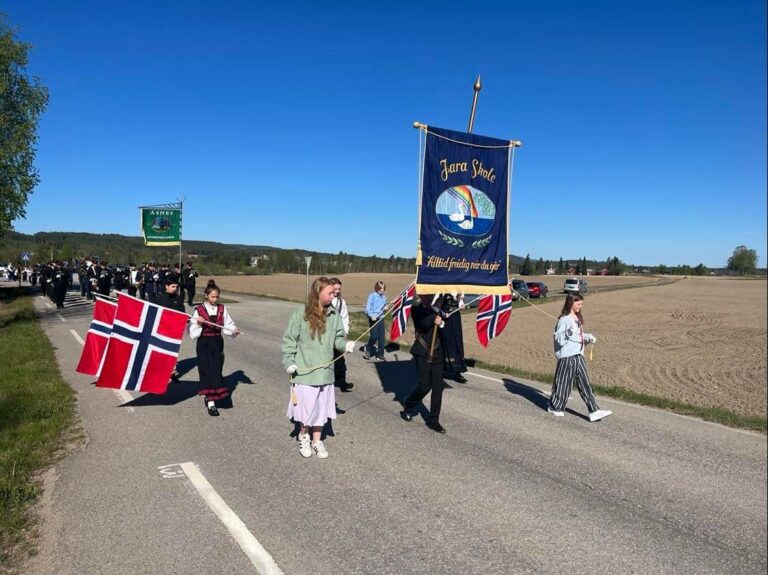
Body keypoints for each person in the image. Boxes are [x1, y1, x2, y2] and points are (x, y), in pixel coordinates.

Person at [282, 276, 355, 459]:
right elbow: (289, 340)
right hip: (304, 371)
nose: (333, 295)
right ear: (318, 292)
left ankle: (317, 440)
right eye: (330, 292)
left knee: (321, 410)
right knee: (306, 409)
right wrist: (289, 361)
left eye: (334, 292)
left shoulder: (334, 315)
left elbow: (338, 338)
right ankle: (304, 436)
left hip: (325, 373)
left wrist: (344, 345)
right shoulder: (301, 314)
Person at [548, 293, 611, 422]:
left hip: (578, 355)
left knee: (585, 383)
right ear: (571, 303)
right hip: (567, 356)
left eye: (581, 304)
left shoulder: (577, 319)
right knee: (563, 383)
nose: (581, 306)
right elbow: (558, 339)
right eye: (579, 304)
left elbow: (577, 336)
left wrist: (587, 337)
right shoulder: (564, 320)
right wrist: (568, 332)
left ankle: (594, 410)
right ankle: (555, 407)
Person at [189, 280, 240, 416]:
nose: (215, 299)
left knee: (216, 369)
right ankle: (211, 402)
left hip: (217, 343)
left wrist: (233, 330)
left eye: (217, 297)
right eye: (213, 296)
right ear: (206, 296)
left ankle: (215, 395)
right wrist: (199, 324)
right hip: (204, 343)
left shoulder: (222, 309)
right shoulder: (199, 310)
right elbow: (192, 331)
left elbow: (228, 324)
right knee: (207, 371)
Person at [400, 293, 448, 433]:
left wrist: (442, 322)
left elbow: (445, 329)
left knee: (438, 387)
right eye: (426, 295)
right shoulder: (417, 307)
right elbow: (424, 324)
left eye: (430, 295)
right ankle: (409, 404)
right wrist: (435, 314)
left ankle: (434, 420)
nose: (428, 297)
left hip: (437, 352)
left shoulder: (437, 308)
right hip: (422, 351)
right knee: (424, 386)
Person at [329, 277, 353, 392]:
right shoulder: (324, 300)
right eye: (335, 289)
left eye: (339, 289)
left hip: (337, 334)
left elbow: (344, 316)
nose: (337, 291)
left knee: (340, 359)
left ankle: (342, 382)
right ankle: (326, 382)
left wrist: (345, 331)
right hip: (326, 335)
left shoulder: (341, 301)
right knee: (327, 358)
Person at [441, 292, 468, 383]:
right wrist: (442, 313)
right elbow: (435, 304)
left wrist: (461, 304)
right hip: (444, 317)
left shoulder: (459, 288)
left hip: (455, 316)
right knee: (445, 341)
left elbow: (460, 302)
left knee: (457, 341)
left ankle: (457, 370)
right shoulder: (442, 287)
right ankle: (443, 368)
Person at [363, 280, 387, 361]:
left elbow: (383, 308)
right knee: (374, 336)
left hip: (381, 318)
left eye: (383, 288)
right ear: (376, 288)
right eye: (380, 288)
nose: (381, 290)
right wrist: (371, 315)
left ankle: (380, 354)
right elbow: (367, 308)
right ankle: (368, 348)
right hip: (373, 318)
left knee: (381, 337)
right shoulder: (372, 296)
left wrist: (385, 308)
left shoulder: (384, 298)